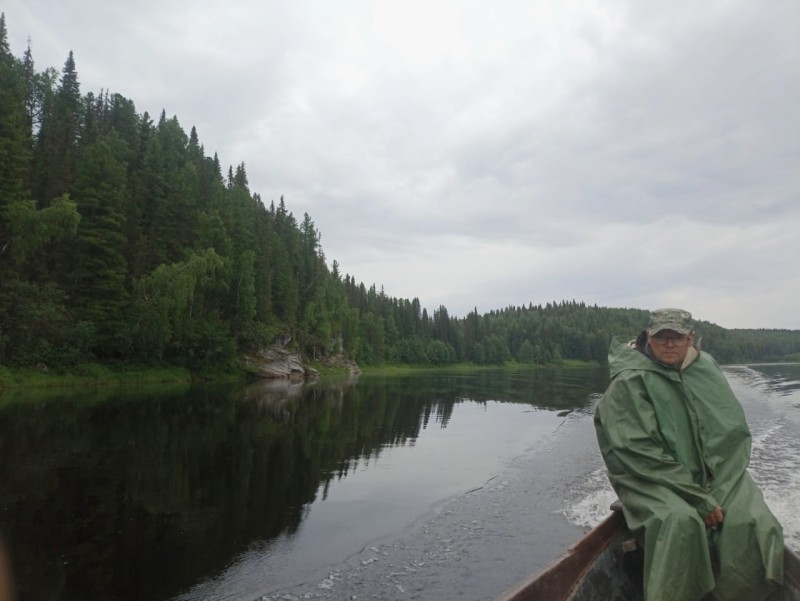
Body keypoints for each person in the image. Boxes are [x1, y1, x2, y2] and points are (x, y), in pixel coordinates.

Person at [594, 308, 784, 601]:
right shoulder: (629, 381)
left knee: (753, 521)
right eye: (662, 337)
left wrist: (718, 483)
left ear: (690, 338)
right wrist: (697, 497)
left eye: (677, 337)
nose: (670, 344)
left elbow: (729, 430)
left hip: (712, 472)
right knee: (681, 523)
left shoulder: (705, 367)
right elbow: (635, 452)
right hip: (649, 479)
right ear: (648, 337)